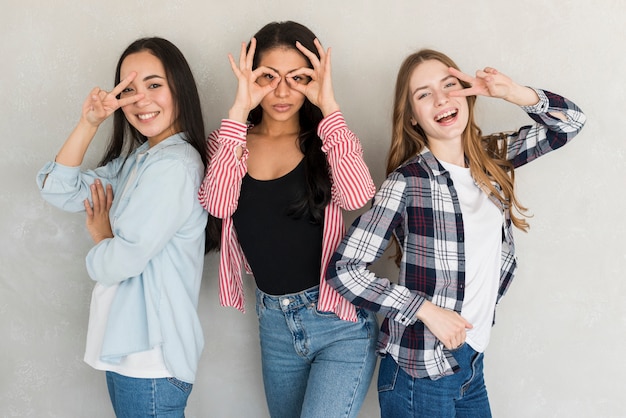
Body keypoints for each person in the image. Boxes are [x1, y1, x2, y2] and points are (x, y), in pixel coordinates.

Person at [326, 49, 586, 417]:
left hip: (470, 361)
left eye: (449, 85)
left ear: (466, 93)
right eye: (424, 94)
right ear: (413, 118)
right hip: (420, 372)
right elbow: (343, 270)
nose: (441, 98)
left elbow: (571, 122)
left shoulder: (491, 158)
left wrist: (512, 92)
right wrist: (425, 310)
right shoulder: (408, 182)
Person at [198, 21, 378, 418]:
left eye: (298, 78)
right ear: (249, 78)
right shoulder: (228, 141)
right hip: (275, 326)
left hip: (339, 322)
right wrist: (238, 110)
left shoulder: (328, 140)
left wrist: (329, 107)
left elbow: (359, 196)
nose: (282, 91)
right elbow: (218, 204)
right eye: (267, 77)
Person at [36, 37, 219, 417]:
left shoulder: (174, 166)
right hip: (128, 350)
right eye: (129, 89)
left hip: (150, 357)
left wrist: (103, 236)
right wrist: (89, 123)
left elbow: (119, 262)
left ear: (179, 88)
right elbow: (58, 188)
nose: (140, 99)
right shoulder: (141, 160)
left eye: (154, 85)